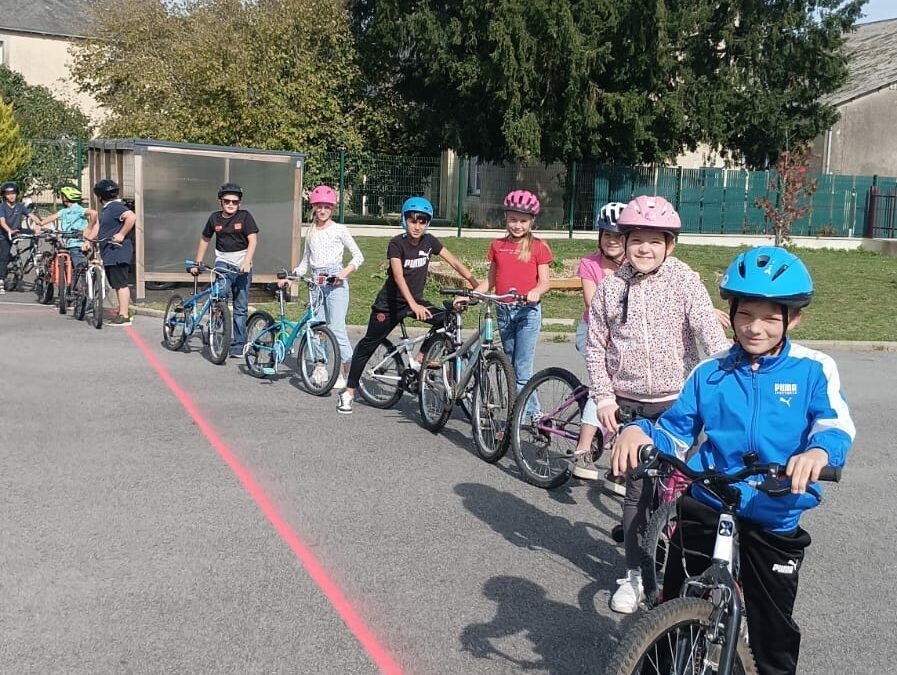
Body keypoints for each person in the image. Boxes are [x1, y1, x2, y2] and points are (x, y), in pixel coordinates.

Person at [612, 246, 855, 675]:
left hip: (774, 506)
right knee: (675, 605)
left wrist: (818, 453)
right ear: (731, 313)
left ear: (792, 318)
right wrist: (640, 432)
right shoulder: (711, 371)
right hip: (712, 495)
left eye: (768, 317)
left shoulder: (813, 369)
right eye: (745, 315)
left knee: (771, 630)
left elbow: (832, 425)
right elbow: (676, 429)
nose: (754, 327)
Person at [583, 194, 730, 614]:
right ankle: (633, 575)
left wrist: (725, 376)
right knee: (635, 494)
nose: (645, 249)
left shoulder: (684, 281)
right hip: (629, 408)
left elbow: (708, 332)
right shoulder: (612, 288)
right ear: (623, 242)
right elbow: (596, 348)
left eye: (655, 240)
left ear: (670, 244)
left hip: (677, 405)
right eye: (636, 240)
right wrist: (605, 397)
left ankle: (678, 568)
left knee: (678, 490)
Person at [338, 196, 477, 414]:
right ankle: (349, 391)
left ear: (427, 223)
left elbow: (456, 263)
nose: (417, 225)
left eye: (422, 221)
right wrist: (412, 304)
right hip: (390, 304)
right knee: (367, 345)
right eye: (412, 220)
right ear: (404, 220)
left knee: (446, 318)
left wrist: (475, 284)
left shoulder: (430, 242)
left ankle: (422, 358)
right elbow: (399, 276)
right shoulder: (397, 244)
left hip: (415, 302)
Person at [472, 189, 552, 408]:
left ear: (532, 221)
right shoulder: (498, 246)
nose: (518, 225)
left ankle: (531, 414)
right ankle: (518, 411)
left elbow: (545, 282)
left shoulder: (538, 247)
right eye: (513, 220)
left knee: (522, 368)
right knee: (509, 363)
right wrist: (472, 294)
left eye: (523, 221)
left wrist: (536, 291)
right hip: (503, 309)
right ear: (506, 218)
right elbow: (490, 281)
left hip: (527, 311)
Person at [569, 202, 626, 478]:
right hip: (593, 333)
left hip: (624, 338)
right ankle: (582, 452)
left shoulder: (634, 266)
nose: (612, 240)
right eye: (607, 234)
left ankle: (620, 461)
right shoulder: (590, 264)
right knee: (604, 386)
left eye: (618, 235)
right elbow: (593, 304)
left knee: (631, 391)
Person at [293, 185, 364, 388]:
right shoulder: (311, 231)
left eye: (327, 207)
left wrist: (343, 273)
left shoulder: (339, 229)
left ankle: (347, 373)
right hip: (316, 284)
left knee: (337, 328)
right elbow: (306, 261)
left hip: (335, 283)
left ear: (332, 209)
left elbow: (359, 256)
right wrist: (293, 275)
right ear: (314, 207)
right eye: (319, 207)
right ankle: (320, 366)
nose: (322, 211)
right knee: (317, 327)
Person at [190, 183, 258, 357]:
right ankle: (215, 323)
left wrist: (246, 262)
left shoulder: (245, 217)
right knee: (220, 293)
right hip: (223, 262)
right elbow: (205, 239)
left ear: (239, 203)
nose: (231, 204)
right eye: (227, 201)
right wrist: (198, 262)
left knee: (240, 307)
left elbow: (253, 241)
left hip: (242, 264)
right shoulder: (214, 219)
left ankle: (238, 345)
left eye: (235, 202)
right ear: (220, 201)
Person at [81, 179, 136, 325]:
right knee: (117, 283)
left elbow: (131, 217)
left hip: (117, 251)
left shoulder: (115, 207)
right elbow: (101, 228)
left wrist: (122, 234)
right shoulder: (108, 209)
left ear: (99, 196)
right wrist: (88, 240)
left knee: (121, 283)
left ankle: (124, 315)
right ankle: (123, 311)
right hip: (111, 252)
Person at [40, 186, 97, 280]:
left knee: (79, 265)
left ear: (66, 198)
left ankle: (81, 285)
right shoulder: (65, 211)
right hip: (68, 241)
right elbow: (53, 217)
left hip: (77, 242)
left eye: (62, 196)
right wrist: (41, 223)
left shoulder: (78, 209)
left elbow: (94, 213)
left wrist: (89, 228)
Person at [0, 181, 43, 295]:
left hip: (18, 230)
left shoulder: (20, 206)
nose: (11, 195)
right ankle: (1, 280)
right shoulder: (2, 207)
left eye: (13, 193)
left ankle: (34, 258)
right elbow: (2, 221)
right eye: (8, 193)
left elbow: (31, 215)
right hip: (5, 233)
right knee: (3, 256)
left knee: (35, 234)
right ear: (4, 195)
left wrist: (40, 224)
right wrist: (9, 231)